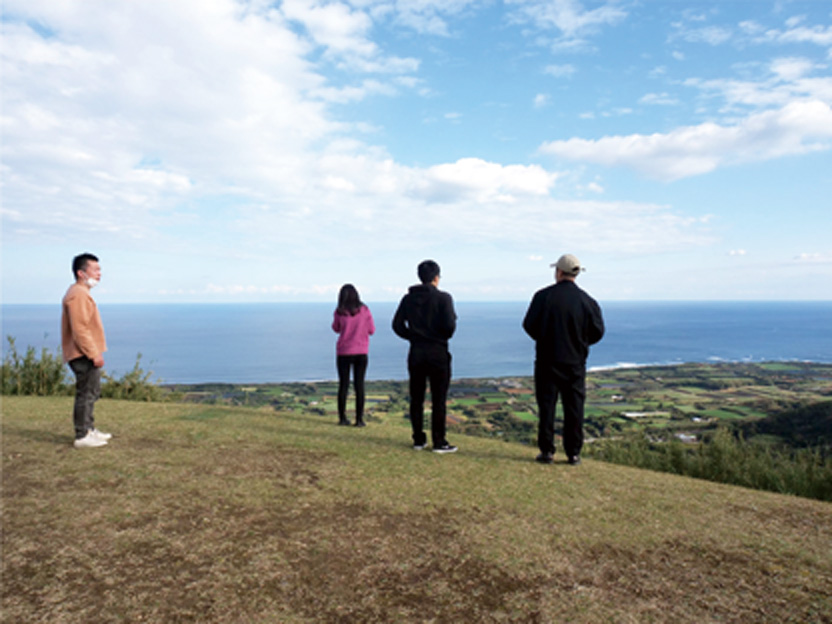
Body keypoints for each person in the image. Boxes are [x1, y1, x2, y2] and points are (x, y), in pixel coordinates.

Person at [523, 254, 605, 465]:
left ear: (558, 271)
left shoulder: (542, 296)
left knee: (547, 407)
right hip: (575, 363)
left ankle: (547, 451)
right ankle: (573, 453)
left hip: (546, 360)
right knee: (574, 408)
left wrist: (544, 339)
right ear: (577, 273)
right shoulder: (587, 301)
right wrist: (580, 343)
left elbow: (529, 325)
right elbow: (598, 331)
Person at [392, 260, 458, 453]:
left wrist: (413, 336)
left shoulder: (408, 299)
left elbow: (397, 325)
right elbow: (449, 328)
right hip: (438, 352)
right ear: (436, 277)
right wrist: (437, 336)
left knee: (416, 397)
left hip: (416, 352)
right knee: (439, 398)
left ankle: (418, 439)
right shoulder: (444, 298)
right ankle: (439, 441)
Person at [61, 253, 111, 449]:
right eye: (95, 269)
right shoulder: (78, 294)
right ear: (81, 273)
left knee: (91, 391)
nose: (99, 273)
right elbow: (80, 328)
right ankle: (82, 434)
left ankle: (88, 429)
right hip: (82, 353)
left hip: (84, 352)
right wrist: (93, 353)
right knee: (86, 392)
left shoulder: (80, 292)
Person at [332, 284, 375, 427]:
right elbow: (371, 330)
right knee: (359, 385)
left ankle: (342, 418)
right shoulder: (365, 310)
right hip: (361, 352)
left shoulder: (339, 312)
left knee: (343, 385)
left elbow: (336, 329)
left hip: (344, 352)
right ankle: (359, 420)